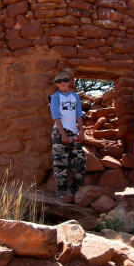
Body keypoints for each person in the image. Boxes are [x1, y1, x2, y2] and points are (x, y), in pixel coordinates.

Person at [50, 71, 86, 203]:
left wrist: (81, 131)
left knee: (79, 160)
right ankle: (62, 192)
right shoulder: (55, 97)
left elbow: (78, 114)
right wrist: (63, 134)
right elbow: (56, 116)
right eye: (59, 81)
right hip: (60, 132)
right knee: (60, 162)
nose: (62, 83)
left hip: (74, 131)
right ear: (56, 84)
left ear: (69, 81)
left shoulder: (75, 96)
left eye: (64, 80)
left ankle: (77, 190)